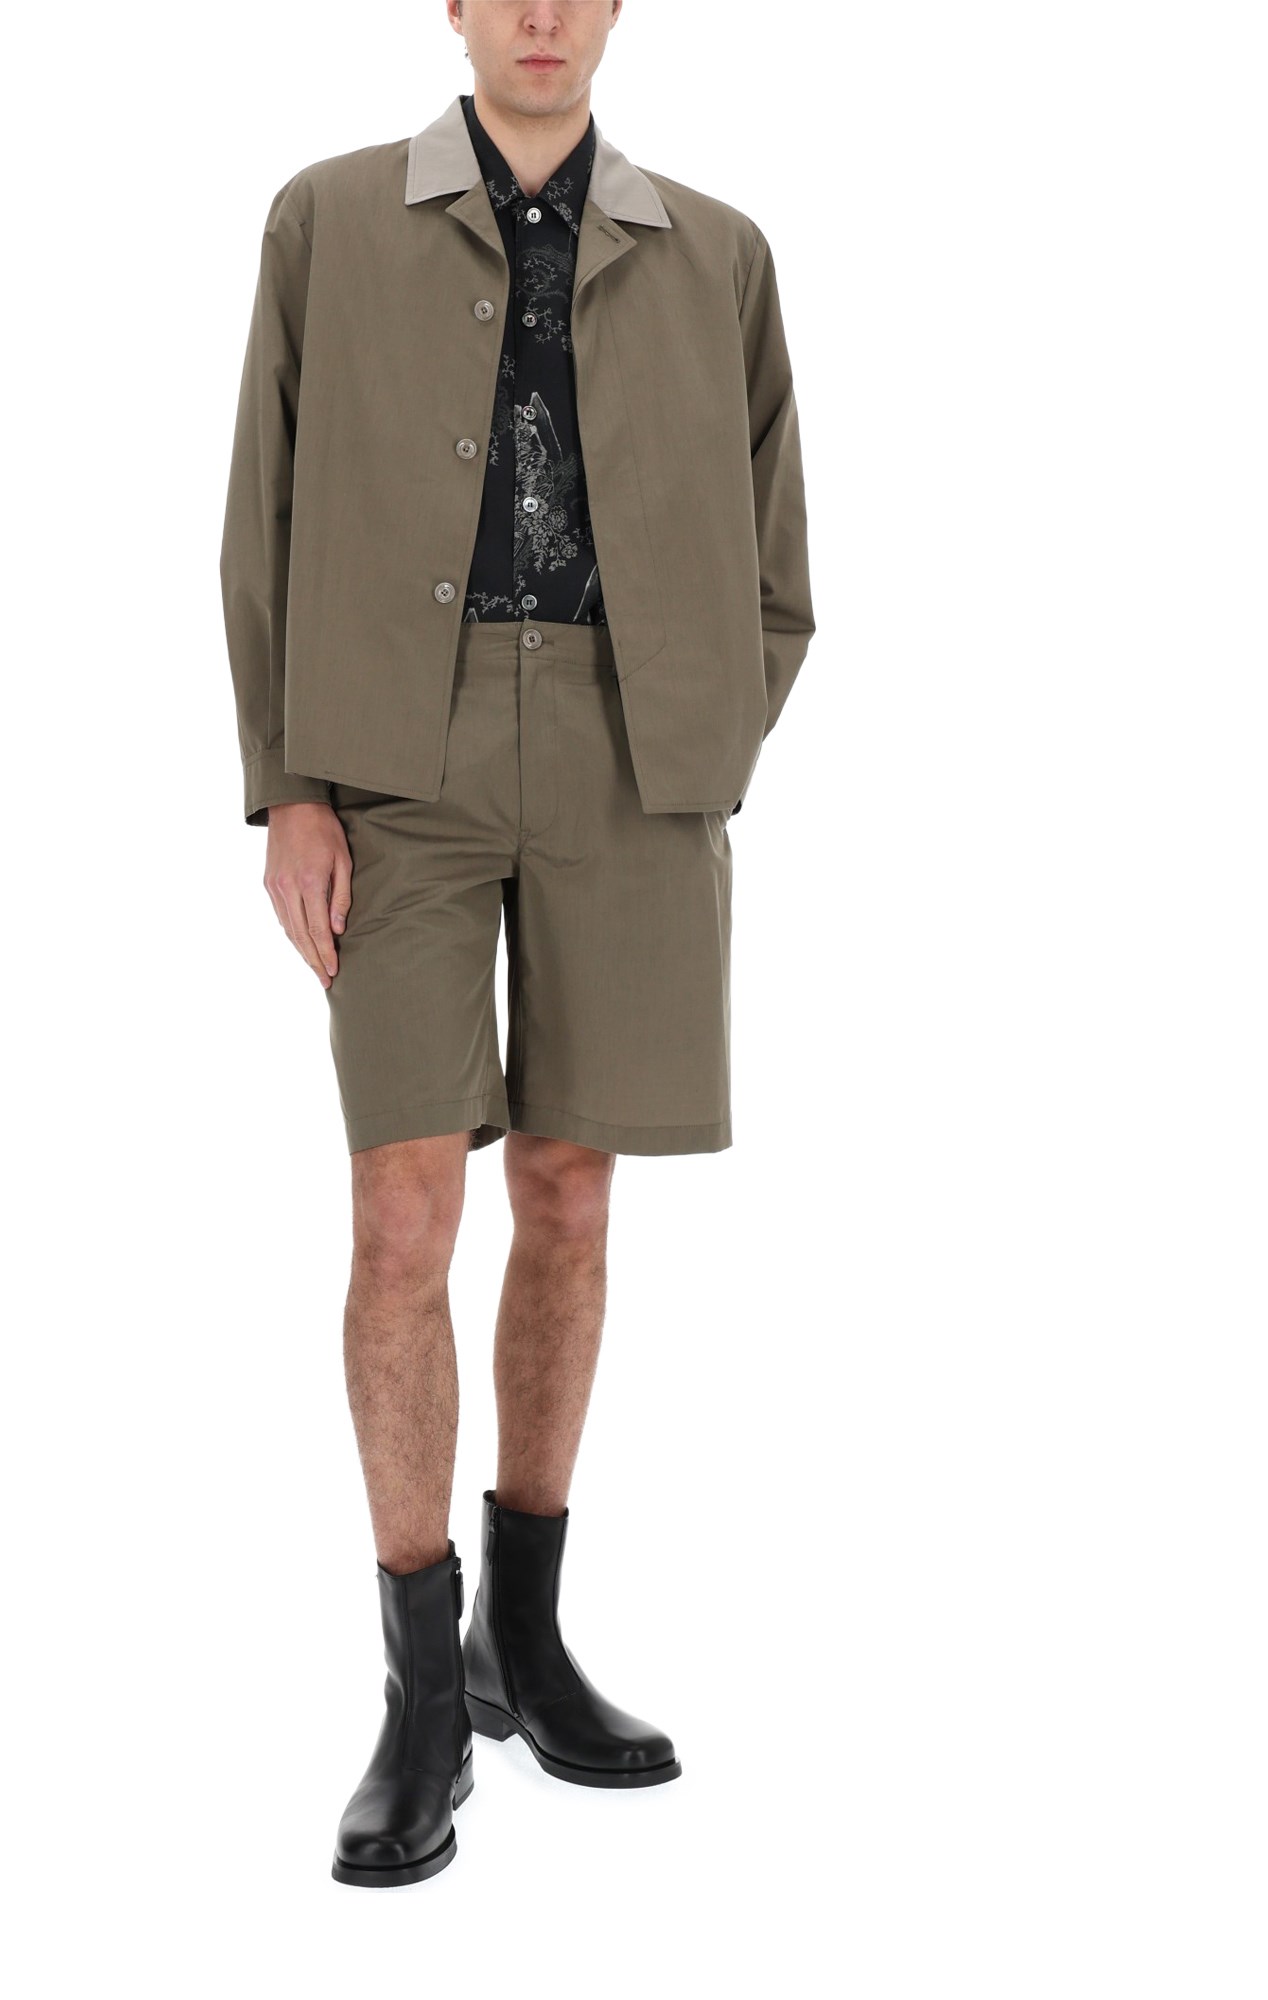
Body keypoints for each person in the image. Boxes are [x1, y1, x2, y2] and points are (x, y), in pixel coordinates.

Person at [219, 0, 813, 1888]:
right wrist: (288, 788)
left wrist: (703, 741)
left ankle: (522, 1643)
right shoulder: (326, 218)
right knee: (404, 1208)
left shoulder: (720, 253)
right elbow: (260, 517)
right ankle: (418, 1698)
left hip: (636, 760)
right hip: (398, 754)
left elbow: (781, 561)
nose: (543, 13)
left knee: (569, 1188)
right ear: (456, 6)